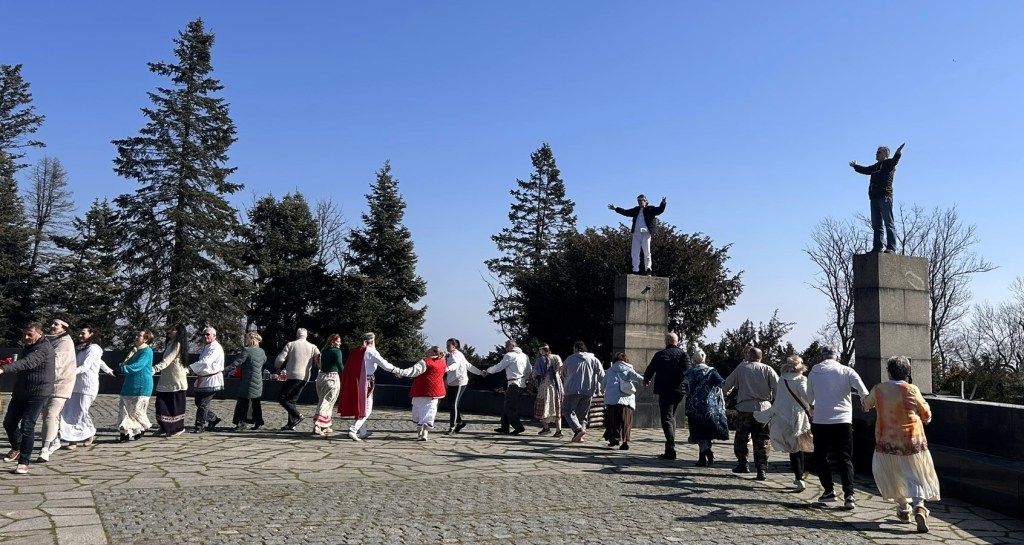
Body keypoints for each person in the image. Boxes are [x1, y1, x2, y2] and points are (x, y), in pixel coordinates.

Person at [863, 356, 940, 533]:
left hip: (886, 440)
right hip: (912, 440)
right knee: (914, 475)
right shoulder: (911, 389)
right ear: (907, 373)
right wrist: (926, 417)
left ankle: (903, 508)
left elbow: (866, 404)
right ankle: (919, 507)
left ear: (889, 372)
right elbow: (925, 413)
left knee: (892, 475)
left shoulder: (879, 389)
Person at [807, 345, 869, 510]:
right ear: (837, 357)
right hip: (843, 420)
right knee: (845, 458)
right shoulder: (847, 371)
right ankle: (849, 495)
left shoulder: (814, 372)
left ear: (821, 357)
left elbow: (809, 398)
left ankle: (828, 490)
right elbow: (863, 391)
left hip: (821, 420)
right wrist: (865, 403)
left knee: (820, 456)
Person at [1, 323, 56, 474]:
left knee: (27, 425)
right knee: (9, 423)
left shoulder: (43, 348)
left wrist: (3, 369)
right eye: (24, 334)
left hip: (38, 392)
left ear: (39, 334)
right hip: (21, 391)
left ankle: (24, 462)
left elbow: (28, 363)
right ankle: (17, 446)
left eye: (29, 335)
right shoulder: (29, 346)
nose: (25, 338)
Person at [754, 355, 813, 491]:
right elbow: (806, 397)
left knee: (793, 449)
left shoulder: (782, 379)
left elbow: (779, 399)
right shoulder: (801, 379)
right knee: (799, 449)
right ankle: (800, 478)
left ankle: (798, 478)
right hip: (797, 418)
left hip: (782, 417)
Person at [723, 347, 778, 480]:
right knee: (762, 440)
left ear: (749, 356)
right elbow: (778, 387)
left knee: (741, 437)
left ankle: (743, 463)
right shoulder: (768, 369)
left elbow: (727, 385)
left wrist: (725, 393)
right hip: (763, 408)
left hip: (745, 407)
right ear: (761, 356)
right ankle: (761, 469)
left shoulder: (741, 368)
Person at [59, 327, 114, 449]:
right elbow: (99, 362)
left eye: (83, 333)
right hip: (74, 384)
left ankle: (89, 432)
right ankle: (72, 440)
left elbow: (87, 365)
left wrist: (68, 372)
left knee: (81, 412)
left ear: (91, 334)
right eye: (79, 333)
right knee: (69, 412)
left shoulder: (94, 348)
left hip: (87, 386)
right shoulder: (79, 348)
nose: (80, 335)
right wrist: (108, 370)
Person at [338, 332, 396, 441]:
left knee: (360, 407)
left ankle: (363, 431)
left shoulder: (355, 351)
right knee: (367, 409)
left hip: (354, 382)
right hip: (366, 383)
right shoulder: (371, 352)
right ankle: (353, 429)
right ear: (373, 340)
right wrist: (397, 370)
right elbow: (385, 365)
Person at [849, 142, 905, 253]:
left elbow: (895, 161)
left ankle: (891, 247)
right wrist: (855, 166)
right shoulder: (875, 167)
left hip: (885, 197)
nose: (876, 154)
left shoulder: (888, 163)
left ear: (885, 154)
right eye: (876, 152)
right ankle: (877, 247)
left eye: (879, 152)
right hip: (874, 198)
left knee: (888, 223)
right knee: (876, 224)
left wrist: (898, 153)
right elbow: (865, 170)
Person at [643, 332, 691, 460]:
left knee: (667, 418)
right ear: (678, 341)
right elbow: (688, 371)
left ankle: (670, 447)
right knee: (672, 416)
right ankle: (670, 446)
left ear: (666, 342)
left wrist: (646, 379)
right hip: (679, 391)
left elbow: (650, 369)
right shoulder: (683, 355)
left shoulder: (660, 355)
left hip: (664, 390)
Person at [37, 318, 76, 462]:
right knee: (46, 415)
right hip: (46, 383)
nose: (53, 326)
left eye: (56, 324)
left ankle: (45, 449)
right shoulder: (48, 340)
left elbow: (56, 362)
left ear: (65, 327)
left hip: (61, 384)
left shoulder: (65, 342)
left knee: (51, 415)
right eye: (52, 323)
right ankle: (54, 440)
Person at [391, 346, 448, 441]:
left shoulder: (425, 362)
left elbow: (412, 371)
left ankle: (419, 432)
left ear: (433, 353)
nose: (427, 352)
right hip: (435, 392)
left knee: (418, 410)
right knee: (430, 411)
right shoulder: (442, 362)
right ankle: (425, 433)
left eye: (429, 351)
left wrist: (399, 371)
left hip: (422, 390)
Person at [683, 348, 729, 467]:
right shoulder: (711, 371)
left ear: (694, 359)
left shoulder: (689, 372)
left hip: (694, 406)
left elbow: (684, 388)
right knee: (706, 433)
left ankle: (705, 455)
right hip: (710, 407)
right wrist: (729, 388)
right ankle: (703, 457)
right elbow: (722, 383)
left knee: (698, 433)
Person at [274, 328, 321, 431]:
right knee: (292, 400)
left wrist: (278, 366)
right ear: (306, 335)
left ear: (297, 334)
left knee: (281, 398)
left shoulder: (290, 345)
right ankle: (291, 424)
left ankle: (297, 415)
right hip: (305, 377)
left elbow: (280, 359)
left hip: (293, 375)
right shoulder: (313, 347)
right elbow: (319, 359)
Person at [608, 194, 667, 274]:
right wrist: (616, 209)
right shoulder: (636, 210)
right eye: (638, 201)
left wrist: (663, 203)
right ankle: (635, 269)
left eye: (641, 200)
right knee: (634, 252)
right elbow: (626, 212)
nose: (639, 202)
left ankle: (648, 269)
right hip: (636, 233)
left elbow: (660, 210)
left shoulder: (650, 209)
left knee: (647, 252)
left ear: (645, 201)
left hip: (646, 233)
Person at [481, 340, 530, 435]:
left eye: (507, 346)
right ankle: (504, 427)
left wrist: (487, 371)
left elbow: (499, 367)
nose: (506, 348)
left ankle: (518, 426)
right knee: (507, 405)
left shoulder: (510, 355)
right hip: (522, 384)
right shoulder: (525, 356)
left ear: (512, 346)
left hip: (513, 384)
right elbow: (529, 369)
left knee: (508, 407)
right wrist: (525, 379)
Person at [561, 341, 605, 442]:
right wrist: (603, 388)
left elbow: (563, 373)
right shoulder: (594, 359)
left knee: (568, 410)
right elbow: (602, 375)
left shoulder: (570, 359)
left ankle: (578, 430)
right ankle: (581, 435)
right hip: (588, 390)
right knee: (583, 413)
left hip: (572, 389)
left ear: (576, 348)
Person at [117, 330, 155, 442]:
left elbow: (139, 365)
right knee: (124, 409)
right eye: (136, 335)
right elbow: (127, 363)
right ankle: (124, 432)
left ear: (146, 339)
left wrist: (124, 368)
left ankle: (141, 428)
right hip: (129, 384)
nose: (136, 337)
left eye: (139, 336)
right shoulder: (135, 351)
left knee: (136, 411)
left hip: (141, 385)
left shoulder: (147, 351)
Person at [603, 352, 645, 450]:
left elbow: (603, 384)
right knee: (626, 421)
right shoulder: (629, 369)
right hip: (626, 400)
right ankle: (625, 441)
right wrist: (645, 381)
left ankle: (614, 438)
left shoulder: (610, 370)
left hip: (612, 400)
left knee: (612, 420)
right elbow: (637, 377)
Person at [226, 331, 267, 431]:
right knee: (255, 401)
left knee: (243, 402)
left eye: (247, 338)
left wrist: (224, 370)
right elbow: (265, 361)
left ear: (250, 339)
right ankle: (258, 421)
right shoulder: (262, 352)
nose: (246, 340)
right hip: (258, 381)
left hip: (248, 381)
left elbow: (237, 362)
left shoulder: (247, 351)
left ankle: (241, 423)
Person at [153, 323, 189, 437]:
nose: (170, 331)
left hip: (175, 379)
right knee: (161, 403)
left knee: (174, 405)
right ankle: (164, 426)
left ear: (178, 333)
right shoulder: (170, 343)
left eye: (173, 330)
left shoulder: (177, 344)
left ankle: (177, 428)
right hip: (166, 379)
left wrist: (154, 369)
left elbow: (168, 360)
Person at [188, 327, 225, 433]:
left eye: (208, 334)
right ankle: (213, 419)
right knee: (199, 402)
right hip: (203, 378)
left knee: (203, 403)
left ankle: (199, 426)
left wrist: (190, 368)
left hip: (212, 379)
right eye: (204, 335)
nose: (205, 336)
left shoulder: (215, 348)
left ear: (214, 336)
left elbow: (206, 361)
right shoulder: (207, 347)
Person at [443, 338, 481, 435]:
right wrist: (480, 372)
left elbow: (456, 365)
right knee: (451, 403)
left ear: (454, 346)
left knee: (453, 404)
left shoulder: (456, 355)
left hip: (459, 382)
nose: (447, 347)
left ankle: (452, 426)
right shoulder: (454, 355)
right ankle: (460, 423)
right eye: (446, 345)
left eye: (449, 345)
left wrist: (447, 369)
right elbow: (468, 365)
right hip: (452, 382)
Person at [312, 334, 343, 436]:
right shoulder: (337, 351)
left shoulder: (324, 351)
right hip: (332, 377)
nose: (340, 343)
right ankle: (318, 425)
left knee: (323, 401)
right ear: (333, 342)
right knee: (327, 401)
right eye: (338, 341)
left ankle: (326, 425)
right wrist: (347, 374)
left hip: (321, 378)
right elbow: (339, 365)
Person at [533, 344, 564, 436]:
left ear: (542, 350)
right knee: (556, 406)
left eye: (540, 350)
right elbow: (561, 369)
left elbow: (535, 373)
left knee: (543, 406)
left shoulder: (540, 360)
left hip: (545, 385)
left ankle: (546, 428)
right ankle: (559, 430)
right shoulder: (556, 357)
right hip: (557, 385)